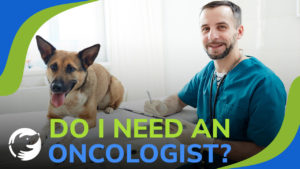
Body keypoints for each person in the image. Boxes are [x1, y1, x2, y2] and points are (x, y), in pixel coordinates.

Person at [144, 0, 286, 168]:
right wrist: (163, 106)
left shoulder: (264, 84)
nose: (212, 36)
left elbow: (266, 152)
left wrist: (207, 143)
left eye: (221, 27)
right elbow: (180, 99)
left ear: (239, 32)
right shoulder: (208, 73)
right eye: (206, 29)